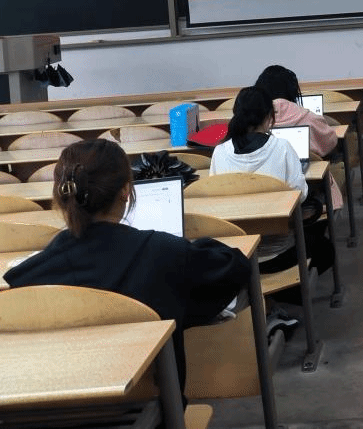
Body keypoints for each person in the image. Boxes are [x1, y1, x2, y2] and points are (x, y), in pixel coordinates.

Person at [3, 139, 250, 392]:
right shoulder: (165, 253)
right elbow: (236, 267)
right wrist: (191, 247)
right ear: (126, 190)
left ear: (62, 194)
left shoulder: (26, 279)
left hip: (59, 406)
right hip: (154, 406)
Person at [210, 86, 334, 275]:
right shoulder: (282, 147)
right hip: (279, 253)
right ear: (269, 117)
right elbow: (300, 195)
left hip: (236, 255)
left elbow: (214, 197)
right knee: (326, 249)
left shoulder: (219, 152)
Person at [254, 64, 343, 211]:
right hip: (310, 194)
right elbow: (331, 143)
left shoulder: (252, 123)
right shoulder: (308, 117)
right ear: (292, 91)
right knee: (339, 170)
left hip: (262, 195)